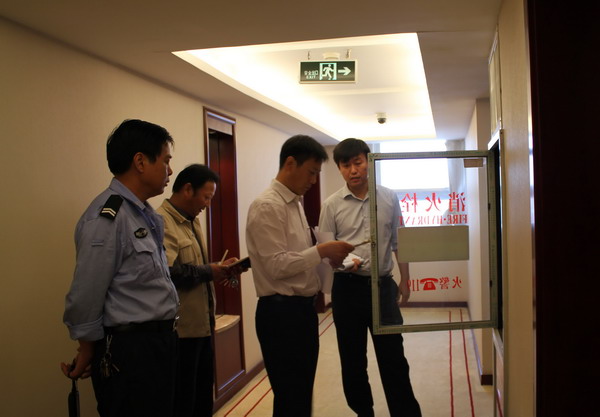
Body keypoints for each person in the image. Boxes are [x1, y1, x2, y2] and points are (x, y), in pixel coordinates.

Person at [61, 119, 180, 417]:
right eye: (165, 161)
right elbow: (86, 292)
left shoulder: (142, 214)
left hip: (158, 344)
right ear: (140, 161)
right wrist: (87, 348)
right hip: (130, 351)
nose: (170, 171)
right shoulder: (107, 218)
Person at [246, 135, 354, 417]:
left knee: (300, 393)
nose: (314, 181)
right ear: (290, 163)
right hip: (281, 314)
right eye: (311, 172)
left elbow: (297, 257)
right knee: (291, 395)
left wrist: (328, 259)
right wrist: (321, 250)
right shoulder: (267, 206)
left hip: (301, 312)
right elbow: (276, 266)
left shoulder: (294, 203)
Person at [318, 138, 421, 417]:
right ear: (339, 168)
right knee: (352, 360)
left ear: (369, 161)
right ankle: (364, 412)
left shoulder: (388, 197)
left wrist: (405, 279)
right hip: (347, 289)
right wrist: (342, 263)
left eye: (358, 162)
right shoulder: (331, 205)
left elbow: (399, 242)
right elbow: (325, 252)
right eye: (346, 165)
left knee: (393, 357)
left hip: (383, 286)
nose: (353, 170)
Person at [157, 164, 244, 417]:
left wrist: (218, 268)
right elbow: (166, 273)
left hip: (202, 327)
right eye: (206, 197)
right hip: (181, 334)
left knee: (202, 399)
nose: (208, 204)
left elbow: (194, 266)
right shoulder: (162, 222)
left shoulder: (192, 221)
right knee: (184, 402)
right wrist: (209, 271)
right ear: (187, 189)